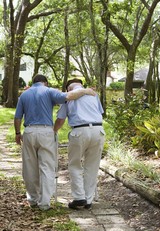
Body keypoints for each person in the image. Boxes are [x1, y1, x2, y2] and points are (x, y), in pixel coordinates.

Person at [14, 74, 96, 211]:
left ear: (33, 82)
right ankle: (45, 203)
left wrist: (17, 133)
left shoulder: (24, 95)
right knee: (46, 167)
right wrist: (86, 91)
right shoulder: (49, 91)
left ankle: (33, 199)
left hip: (28, 131)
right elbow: (69, 96)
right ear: (45, 82)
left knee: (29, 167)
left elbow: (17, 117)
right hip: (46, 131)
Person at [54, 78, 105, 210]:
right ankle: (88, 199)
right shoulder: (93, 94)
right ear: (81, 85)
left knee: (75, 164)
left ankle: (79, 197)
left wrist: (53, 132)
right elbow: (100, 113)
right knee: (92, 166)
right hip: (98, 130)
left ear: (68, 89)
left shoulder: (68, 97)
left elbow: (60, 120)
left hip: (79, 131)